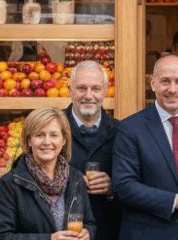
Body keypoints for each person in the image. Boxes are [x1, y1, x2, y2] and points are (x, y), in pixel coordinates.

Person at [112, 55, 178, 240]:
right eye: (165, 81)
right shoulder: (130, 128)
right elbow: (123, 186)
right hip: (149, 234)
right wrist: (175, 201)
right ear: (153, 83)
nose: (172, 89)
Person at [0, 107, 95, 240]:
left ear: (63, 140)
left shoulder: (75, 178)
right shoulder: (10, 183)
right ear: (29, 140)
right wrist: (49, 239)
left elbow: (89, 222)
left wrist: (88, 232)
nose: (47, 142)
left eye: (54, 135)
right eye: (40, 135)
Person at [64, 61, 122, 240]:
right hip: (61, 232)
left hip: (108, 230)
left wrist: (113, 188)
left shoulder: (121, 131)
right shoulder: (52, 128)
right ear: (70, 90)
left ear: (105, 91)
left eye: (95, 89)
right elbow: (25, 172)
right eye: (81, 88)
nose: (88, 96)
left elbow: (138, 182)